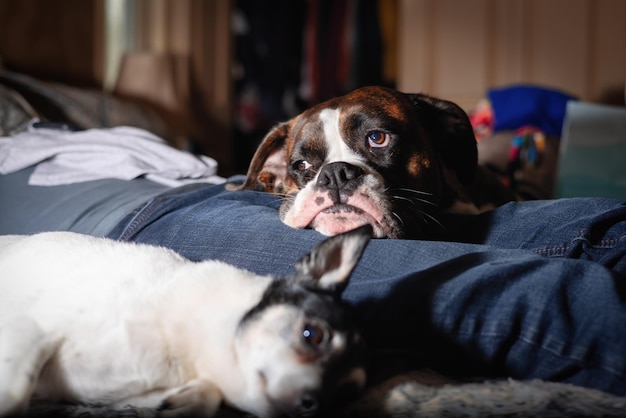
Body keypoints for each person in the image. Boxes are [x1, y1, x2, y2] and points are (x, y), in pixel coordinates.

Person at [1, 126, 626, 398]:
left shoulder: (108, 137)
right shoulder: (12, 158)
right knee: (500, 295)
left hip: (224, 189)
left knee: (595, 224)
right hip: (156, 222)